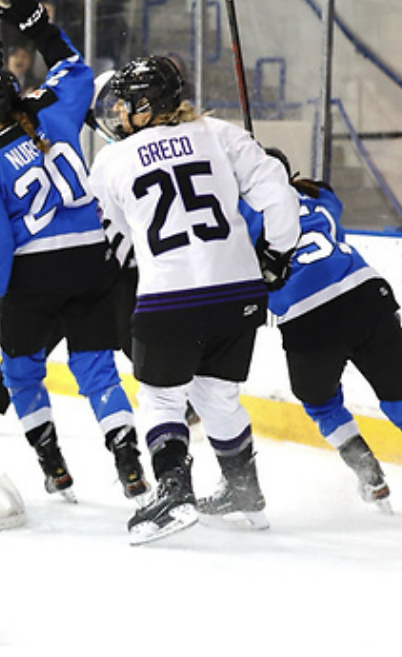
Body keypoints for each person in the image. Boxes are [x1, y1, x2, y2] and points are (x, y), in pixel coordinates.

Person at [0, 0, 145, 505]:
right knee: (96, 368)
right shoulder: (49, 112)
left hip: (34, 277)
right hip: (91, 263)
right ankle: (130, 465)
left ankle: (54, 468)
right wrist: (38, 26)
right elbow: (77, 70)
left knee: (21, 372)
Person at [88, 55, 300, 544]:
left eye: (125, 104)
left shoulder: (110, 160)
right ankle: (244, 491)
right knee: (218, 394)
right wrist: (277, 252)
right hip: (240, 292)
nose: (119, 113)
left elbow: (120, 235)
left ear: (145, 106)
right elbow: (278, 192)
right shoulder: (220, 133)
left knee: (161, 396)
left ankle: (172, 492)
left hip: (169, 294)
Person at [245, 150, 402, 518]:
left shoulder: (243, 215)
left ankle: (369, 473)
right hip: (367, 297)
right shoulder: (318, 197)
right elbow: (325, 198)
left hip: (308, 316)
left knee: (321, 403)